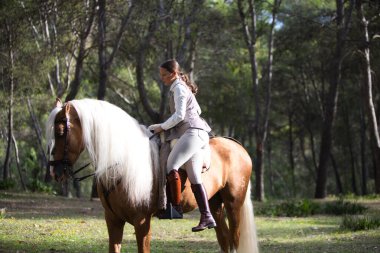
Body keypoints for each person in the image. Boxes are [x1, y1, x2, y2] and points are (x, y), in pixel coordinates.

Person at [149, 59, 216, 232]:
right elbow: (198, 110)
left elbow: (179, 116)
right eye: (161, 75)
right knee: (194, 175)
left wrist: (161, 127)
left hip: (192, 132)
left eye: (164, 75)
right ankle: (207, 216)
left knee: (172, 164)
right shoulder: (180, 88)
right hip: (196, 131)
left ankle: (175, 208)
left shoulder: (178, 88)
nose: (162, 78)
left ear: (173, 74)